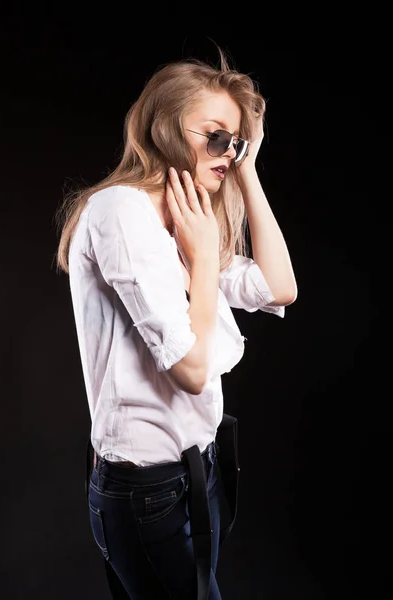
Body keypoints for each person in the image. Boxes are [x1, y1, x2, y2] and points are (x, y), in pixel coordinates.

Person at [54, 45, 297, 600]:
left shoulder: (186, 221)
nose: (227, 152)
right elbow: (189, 370)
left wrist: (249, 173)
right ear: (166, 128)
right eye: (214, 136)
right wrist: (206, 258)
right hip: (147, 489)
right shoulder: (122, 213)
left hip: (197, 468)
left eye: (234, 143)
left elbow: (281, 287)